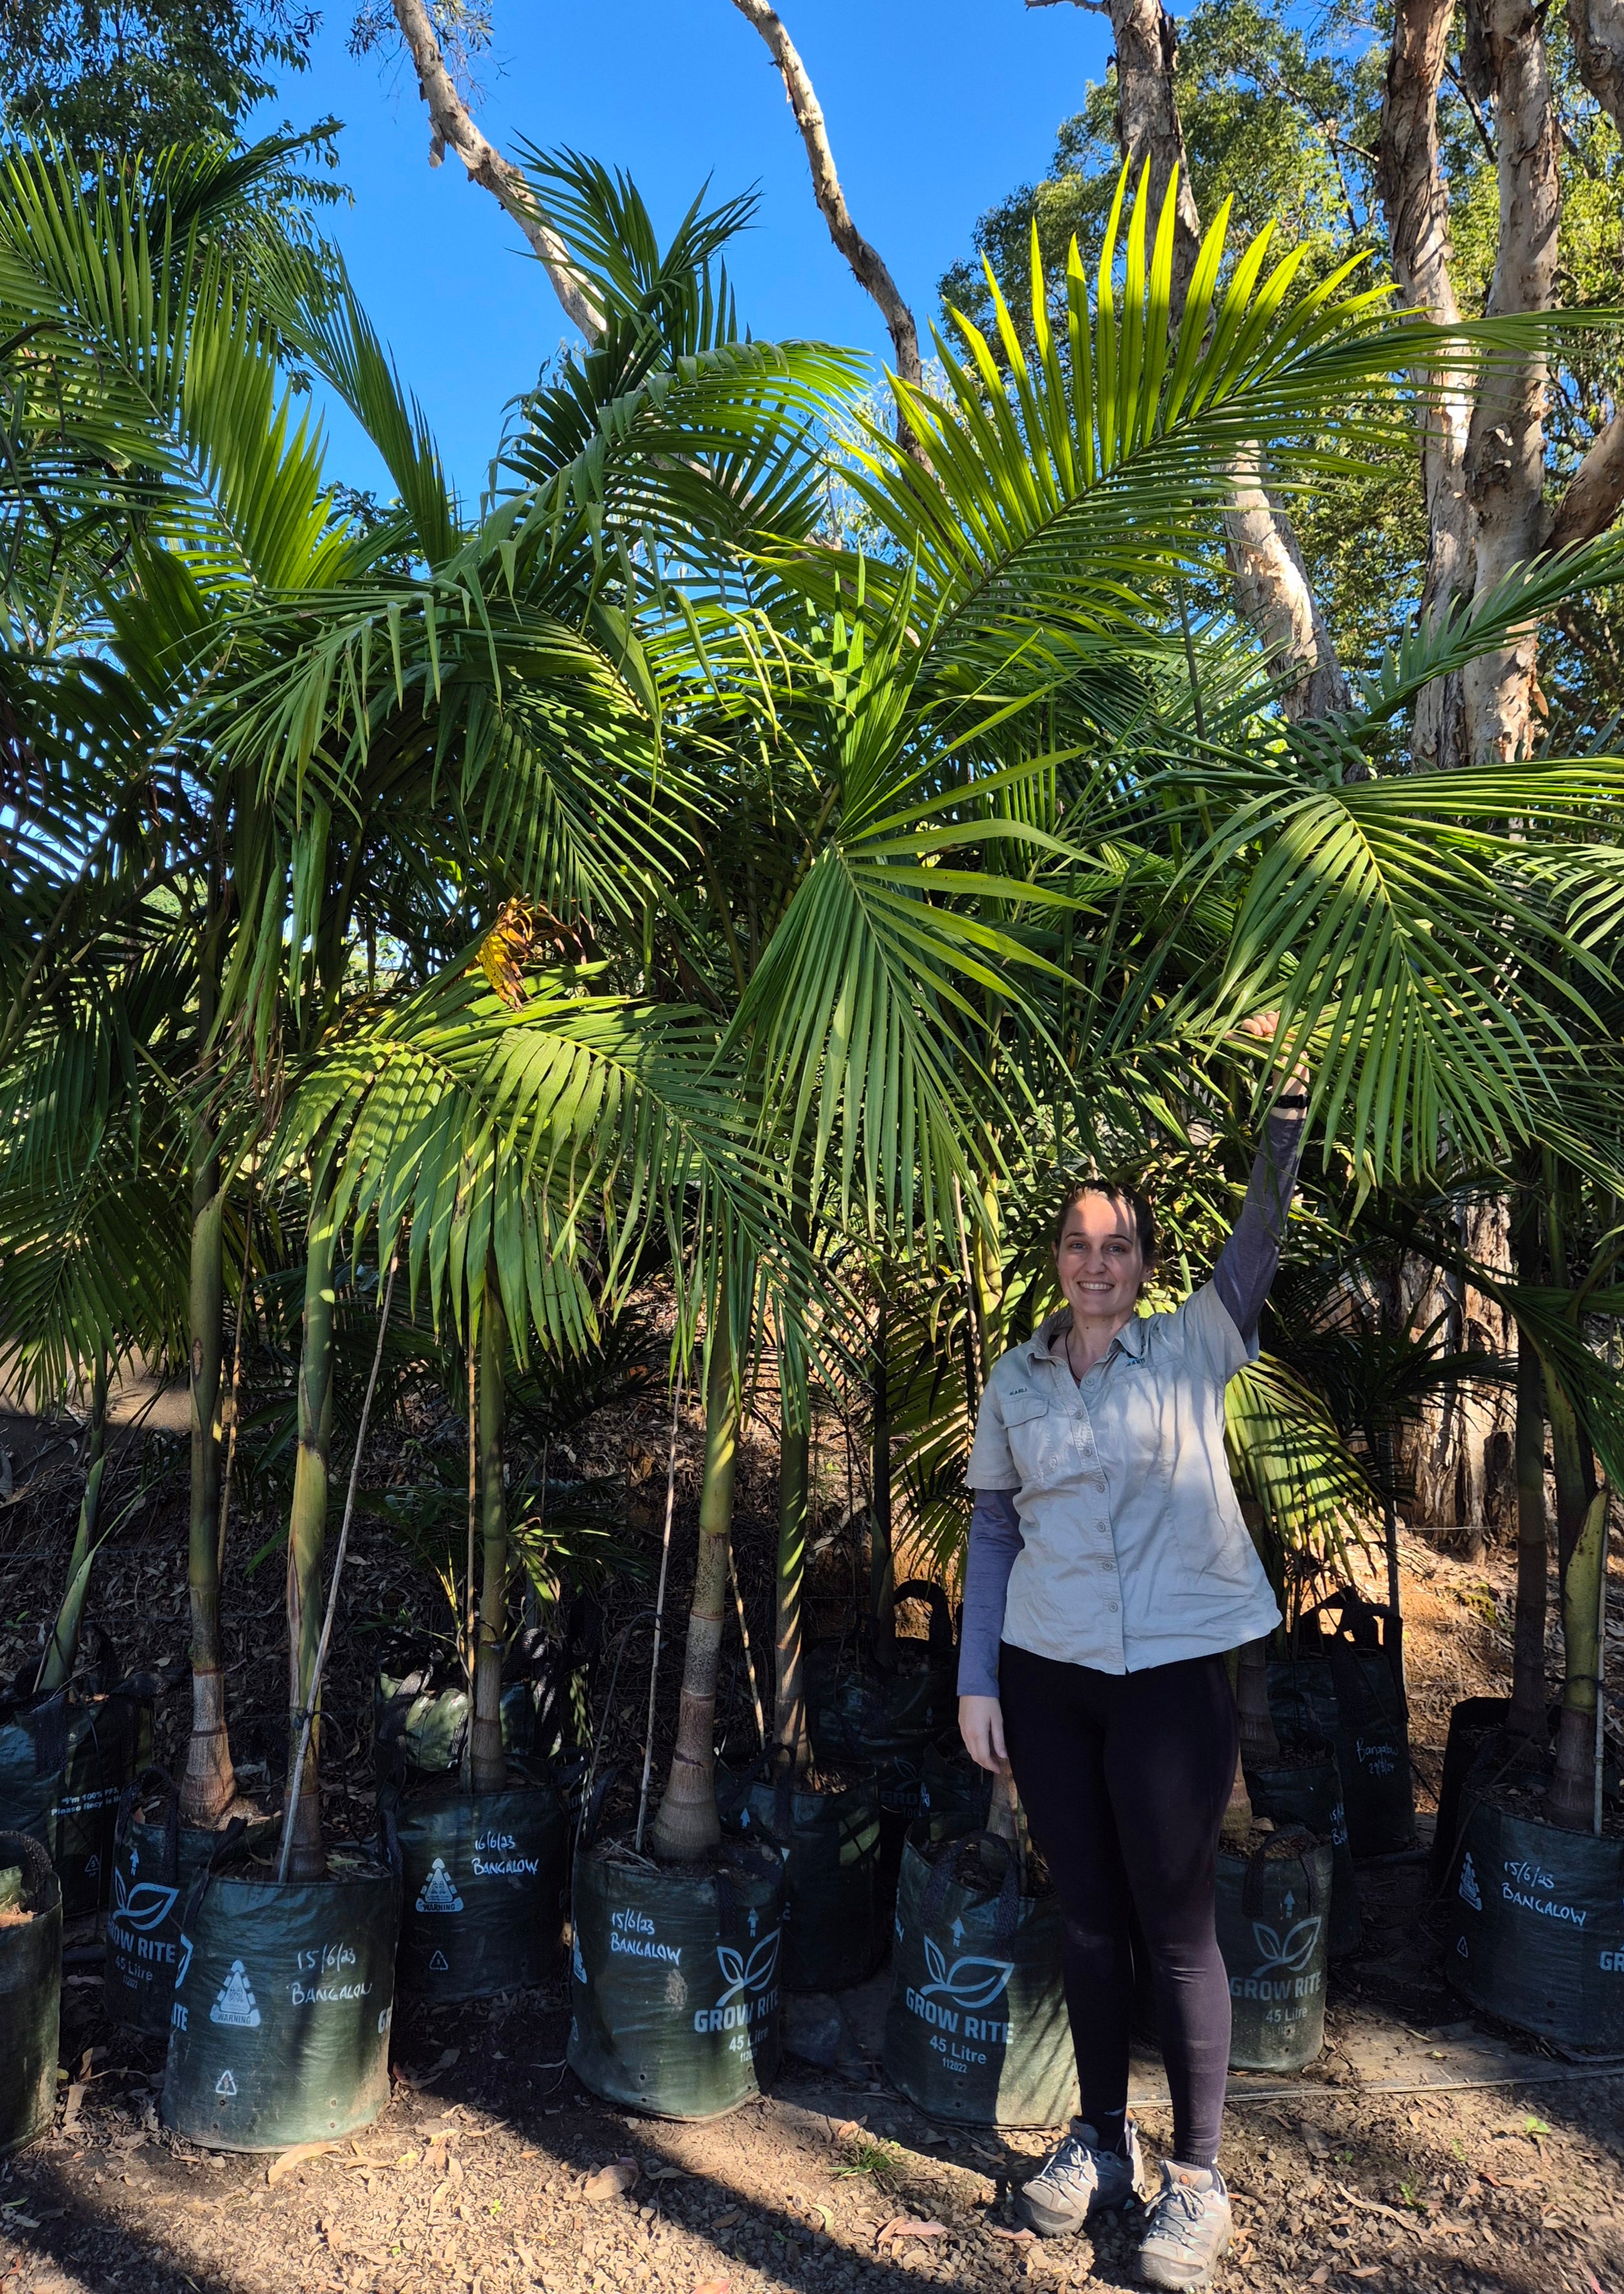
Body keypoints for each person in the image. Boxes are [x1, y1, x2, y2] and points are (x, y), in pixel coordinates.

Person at [959, 1019, 1308, 2291]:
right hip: (1047, 1681)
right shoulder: (1017, 1379)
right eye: (1075, 1245)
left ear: (1144, 1264)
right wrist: (977, 1677)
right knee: (1088, 1919)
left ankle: (1198, 2180)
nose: (1095, 1263)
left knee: (1175, 1924)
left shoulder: (1192, 1346)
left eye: (1117, 1246)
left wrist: (1282, 1109)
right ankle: (1100, 2140)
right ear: (1053, 1260)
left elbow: (1257, 1241)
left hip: (1170, 1680)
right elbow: (991, 1526)